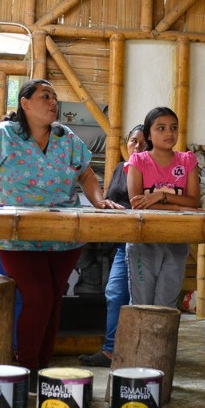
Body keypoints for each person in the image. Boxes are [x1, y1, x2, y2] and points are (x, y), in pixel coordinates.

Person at [0, 80, 123, 372]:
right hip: (16, 235)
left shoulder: (66, 137)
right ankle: (26, 367)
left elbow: (87, 176)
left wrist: (100, 201)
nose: (53, 102)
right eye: (45, 96)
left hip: (64, 237)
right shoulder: (5, 135)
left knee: (53, 300)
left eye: (54, 97)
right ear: (25, 103)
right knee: (38, 297)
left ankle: (42, 368)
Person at [79, 125, 146, 368]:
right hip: (122, 241)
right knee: (115, 293)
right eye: (133, 141)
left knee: (139, 298)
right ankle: (110, 351)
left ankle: (138, 351)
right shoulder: (120, 168)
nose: (137, 146)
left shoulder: (149, 168)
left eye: (143, 142)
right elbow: (111, 197)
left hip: (144, 243)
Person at [126, 107, 199, 308]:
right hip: (144, 239)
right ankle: (140, 341)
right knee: (142, 305)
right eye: (161, 128)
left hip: (177, 240)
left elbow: (194, 201)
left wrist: (162, 196)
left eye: (173, 128)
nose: (169, 133)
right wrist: (177, 208)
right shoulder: (138, 160)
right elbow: (137, 203)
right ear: (148, 133)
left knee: (166, 306)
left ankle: (163, 341)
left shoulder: (187, 160)